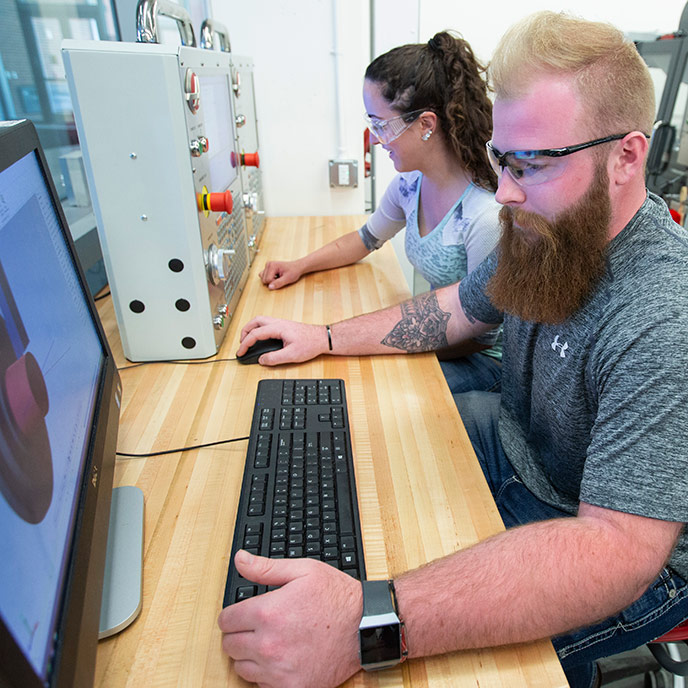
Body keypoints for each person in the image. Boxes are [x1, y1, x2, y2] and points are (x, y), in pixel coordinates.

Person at [219, 11, 688, 688]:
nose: (503, 190)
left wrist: (369, 621)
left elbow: (613, 551)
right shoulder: (545, 228)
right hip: (523, 450)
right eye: (501, 159)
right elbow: (456, 310)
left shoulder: (663, 314)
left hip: (618, 548)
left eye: (530, 164)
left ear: (626, 156)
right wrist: (322, 338)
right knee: (353, 461)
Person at [258, 31, 503, 395]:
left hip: (481, 357)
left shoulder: (485, 216)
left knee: (377, 392)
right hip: (442, 335)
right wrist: (300, 265)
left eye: (380, 124)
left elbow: (480, 330)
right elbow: (363, 240)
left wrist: (366, 339)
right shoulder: (410, 186)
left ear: (426, 125)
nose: (373, 138)